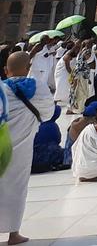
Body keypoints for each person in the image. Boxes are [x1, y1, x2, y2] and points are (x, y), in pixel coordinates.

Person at [1, 51, 55, 244]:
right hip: (21, 149)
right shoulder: (38, 87)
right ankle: (13, 234)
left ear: (6, 70)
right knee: (16, 187)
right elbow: (48, 113)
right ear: (29, 67)